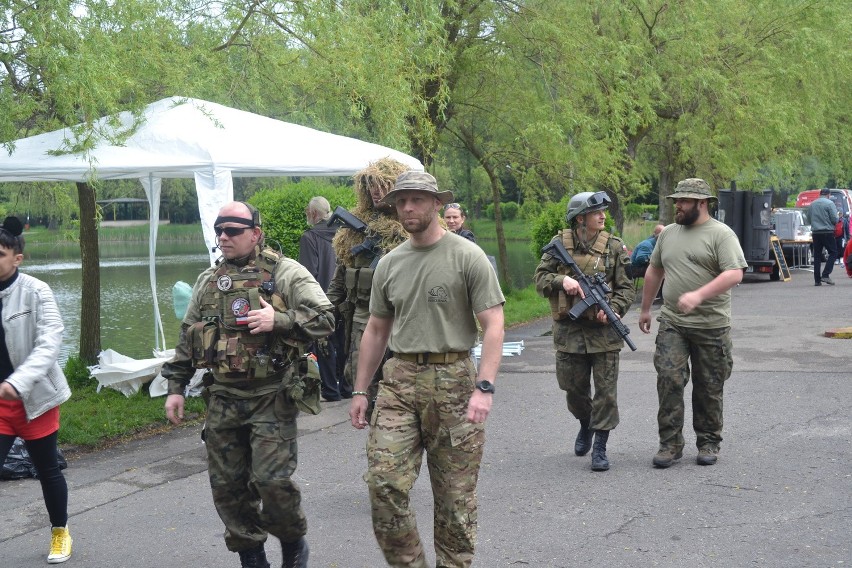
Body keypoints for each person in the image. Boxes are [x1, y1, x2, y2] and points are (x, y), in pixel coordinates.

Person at [162, 201, 334, 568]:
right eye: (219, 230)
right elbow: (187, 336)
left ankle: (293, 544)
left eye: (232, 230)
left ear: (255, 234)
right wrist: (175, 385)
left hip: (271, 394)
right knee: (228, 490)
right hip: (223, 397)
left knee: (272, 482)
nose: (223, 237)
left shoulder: (286, 273)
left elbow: (326, 318)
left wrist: (281, 320)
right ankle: (252, 559)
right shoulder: (209, 281)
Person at [349, 171, 505, 568]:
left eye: (417, 199)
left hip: (454, 378)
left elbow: (494, 324)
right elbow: (377, 329)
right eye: (401, 201)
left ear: (436, 204)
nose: (408, 208)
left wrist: (484, 386)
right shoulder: (389, 263)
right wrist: (359, 390)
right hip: (399, 381)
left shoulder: (466, 256)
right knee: (384, 484)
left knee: (455, 497)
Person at [638, 178, 747, 468]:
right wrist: (646, 308)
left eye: (684, 201)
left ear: (702, 203)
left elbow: (734, 274)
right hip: (673, 321)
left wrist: (699, 295)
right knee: (669, 379)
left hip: (712, 325)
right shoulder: (669, 234)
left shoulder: (721, 235)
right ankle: (670, 444)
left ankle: (709, 441)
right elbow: (654, 270)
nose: (678, 205)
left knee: (708, 385)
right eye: (676, 200)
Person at [534, 191, 634, 471]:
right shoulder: (558, 244)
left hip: (604, 334)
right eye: (596, 212)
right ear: (580, 218)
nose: (603, 216)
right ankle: (585, 422)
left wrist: (614, 308)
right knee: (573, 390)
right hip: (570, 333)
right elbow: (540, 280)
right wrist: (561, 279)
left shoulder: (613, 246)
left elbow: (626, 288)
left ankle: (600, 447)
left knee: (606, 393)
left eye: (604, 211)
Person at [0, 216, 73, 564]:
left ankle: (60, 533)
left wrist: (18, 381)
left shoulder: (36, 290)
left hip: (34, 399)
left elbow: (50, 343)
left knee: (47, 469)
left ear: (17, 258)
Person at [327, 158, 410, 416]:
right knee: (365, 386)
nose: (376, 191)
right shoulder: (353, 229)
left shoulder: (414, 226)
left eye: (382, 185)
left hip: (403, 322)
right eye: (370, 185)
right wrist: (324, 313)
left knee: (403, 386)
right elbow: (341, 276)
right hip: (362, 318)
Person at [298, 196, 350, 401]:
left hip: (322, 298)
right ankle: (347, 386)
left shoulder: (309, 237)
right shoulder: (345, 233)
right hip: (345, 297)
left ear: (312, 214)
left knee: (324, 343)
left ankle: (330, 390)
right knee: (344, 342)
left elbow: (309, 273)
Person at [808, 188, 839, 286]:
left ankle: (817, 280)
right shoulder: (830, 204)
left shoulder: (812, 204)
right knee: (833, 252)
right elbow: (834, 219)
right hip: (827, 232)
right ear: (828, 195)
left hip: (816, 233)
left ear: (820, 194)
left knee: (817, 256)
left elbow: (809, 218)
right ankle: (825, 274)